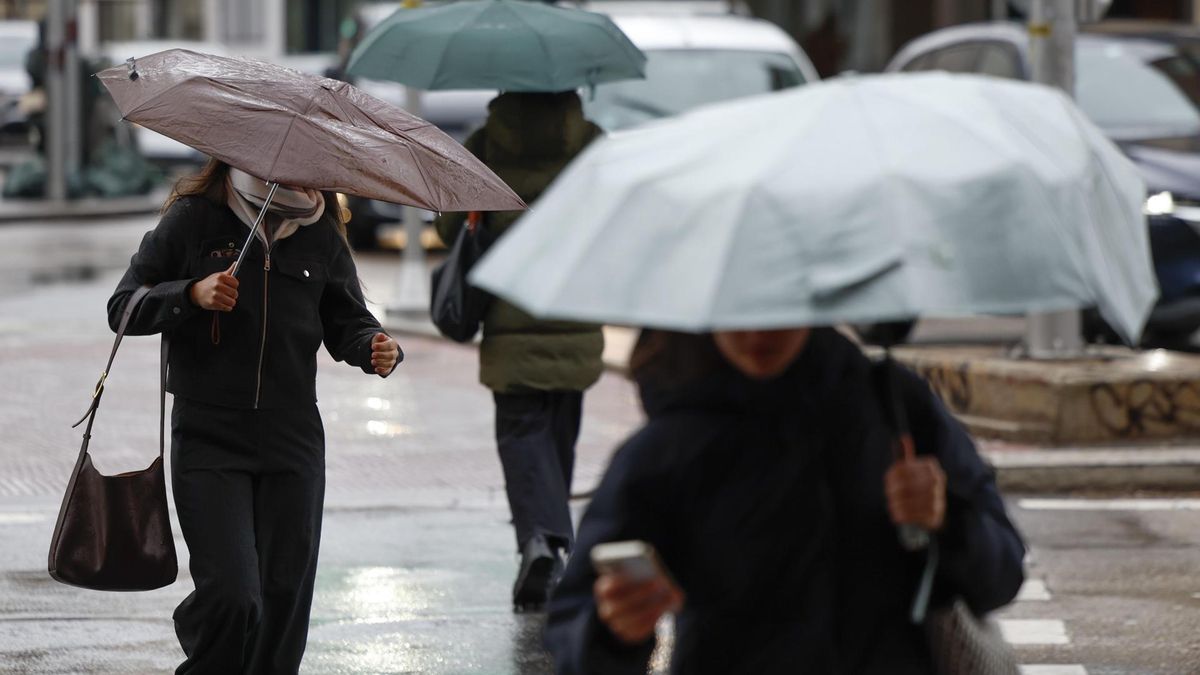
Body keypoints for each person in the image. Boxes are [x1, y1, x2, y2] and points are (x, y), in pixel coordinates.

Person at [544, 327, 1026, 673]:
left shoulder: (892, 408)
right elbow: (575, 630)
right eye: (738, 307)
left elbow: (1002, 575)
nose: (757, 332)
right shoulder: (666, 450)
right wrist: (614, 627)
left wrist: (949, 520)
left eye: (773, 304)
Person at [107, 159, 402, 674]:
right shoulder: (196, 218)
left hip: (293, 436)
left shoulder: (320, 232)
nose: (307, 175)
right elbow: (124, 306)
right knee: (233, 595)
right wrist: (190, 294)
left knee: (284, 597)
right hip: (209, 435)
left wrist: (374, 346)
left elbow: (347, 319)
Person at [434, 90, 605, 611]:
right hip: (575, 315)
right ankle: (551, 542)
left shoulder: (487, 144)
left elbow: (449, 227)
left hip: (510, 320)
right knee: (558, 439)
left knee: (520, 433)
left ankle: (542, 541)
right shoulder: (592, 142)